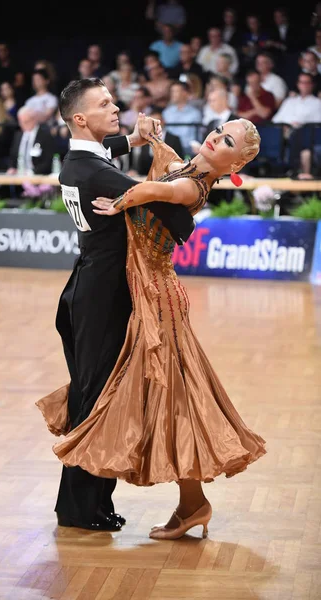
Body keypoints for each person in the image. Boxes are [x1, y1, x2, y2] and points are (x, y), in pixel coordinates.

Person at [37, 115, 266, 540]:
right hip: (143, 288)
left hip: (158, 297)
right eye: (219, 130)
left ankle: (192, 503)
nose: (216, 138)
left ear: (235, 167)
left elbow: (152, 189)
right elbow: (162, 162)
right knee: (168, 395)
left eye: (228, 142)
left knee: (173, 395)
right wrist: (147, 138)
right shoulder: (186, 167)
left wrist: (121, 201)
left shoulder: (191, 185)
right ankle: (192, 504)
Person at [35, 78, 195, 533]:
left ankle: (84, 505)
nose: (116, 105)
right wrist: (190, 185)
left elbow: (106, 154)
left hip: (86, 289)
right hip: (106, 297)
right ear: (80, 118)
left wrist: (138, 138)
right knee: (98, 401)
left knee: (94, 394)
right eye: (104, 103)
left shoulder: (76, 163)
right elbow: (177, 216)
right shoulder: (99, 176)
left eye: (113, 99)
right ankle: (81, 509)